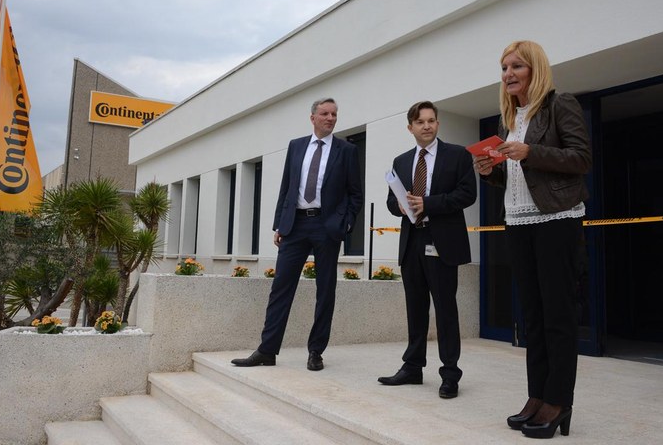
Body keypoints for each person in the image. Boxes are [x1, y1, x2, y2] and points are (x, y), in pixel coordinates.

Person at [474, 40, 591, 439]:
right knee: (533, 317)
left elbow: (581, 159)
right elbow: (518, 176)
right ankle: (537, 397)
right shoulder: (512, 118)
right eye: (504, 67)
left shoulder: (561, 104)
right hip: (519, 223)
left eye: (516, 67)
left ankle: (559, 401)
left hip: (557, 220)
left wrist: (529, 151)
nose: (508, 73)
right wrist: (491, 169)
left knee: (558, 315)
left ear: (534, 69)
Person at [232, 98, 363, 371]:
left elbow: (355, 194)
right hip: (295, 225)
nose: (331, 118)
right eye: (325, 113)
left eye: (334, 114)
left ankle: (316, 351)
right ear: (312, 117)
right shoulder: (296, 146)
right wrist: (279, 224)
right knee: (281, 288)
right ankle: (267, 350)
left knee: (325, 291)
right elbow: (287, 187)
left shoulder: (347, 150)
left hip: (327, 228)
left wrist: (345, 224)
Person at [380, 101, 476, 399]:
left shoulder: (458, 155)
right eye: (420, 122)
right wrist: (397, 205)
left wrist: (429, 203)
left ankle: (450, 375)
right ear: (410, 127)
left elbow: (467, 194)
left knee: (446, 310)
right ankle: (412, 368)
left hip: (443, 243)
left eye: (432, 121)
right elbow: (390, 201)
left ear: (438, 124)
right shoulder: (401, 160)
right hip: (412, 243)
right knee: (416, 309)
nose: (427, 126)